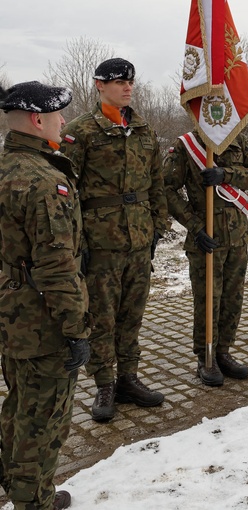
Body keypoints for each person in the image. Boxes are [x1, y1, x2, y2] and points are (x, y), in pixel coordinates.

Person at [60, 58, 167, 422]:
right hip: (100, 242)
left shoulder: (142, 128)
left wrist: (157, 227)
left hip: (138, 238)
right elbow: (66, 192)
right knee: (102, 317)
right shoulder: (80, 132)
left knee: (132, 315)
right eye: (119, 81)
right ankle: (104, 383)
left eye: (130, 82)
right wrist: (79, 244)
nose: (127, 87)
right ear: (98, 85)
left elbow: (156, 183)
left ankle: (128, 379)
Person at [0, 81, 91, 510]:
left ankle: (16, 485)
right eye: (58, 115)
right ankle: (33, 501)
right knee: (45, 418)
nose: (63, 121)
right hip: (43, 322)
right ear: (38, 119)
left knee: (19, 406)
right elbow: (57, 266)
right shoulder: (43, 181)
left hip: (11, 313)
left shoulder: (5, 168)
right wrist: (76, 330)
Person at [163, 130, 248, 386]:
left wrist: (227, 175)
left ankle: (224, 351)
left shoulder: (238, 138)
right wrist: (194, 225)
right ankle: (205, 356)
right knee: (209, 298)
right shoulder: (187, 144)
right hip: (206, 235)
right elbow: (166, 189)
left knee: (233, 297)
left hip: (237, 235)